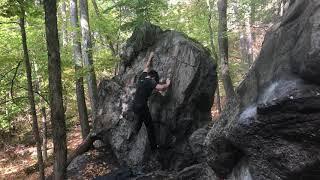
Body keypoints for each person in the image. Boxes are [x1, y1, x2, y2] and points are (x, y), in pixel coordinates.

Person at [132, 52, 171, 150]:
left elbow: (147, 66)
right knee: (150, 126)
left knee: (140, 119)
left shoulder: (143, 76)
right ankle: (154, 147)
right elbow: (161, 88)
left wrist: (150, 57)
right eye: (155, 80)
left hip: (135, 105)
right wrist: (168, 84)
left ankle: (135, 132)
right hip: (142, 106)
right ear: (154, 78)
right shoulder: (151, 81)